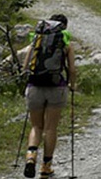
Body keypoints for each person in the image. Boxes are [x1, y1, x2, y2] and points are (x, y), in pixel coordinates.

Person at [22, 14, 77, 178]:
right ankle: (46, 167)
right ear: (64, 27)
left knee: (36, 127)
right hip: (56, 87)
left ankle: (31, 156)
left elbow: (25, 66)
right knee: (51, 128)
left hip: (35, 87)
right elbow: (72, 69)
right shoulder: (66, 44)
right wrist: (72, 85)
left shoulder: (36, 40)